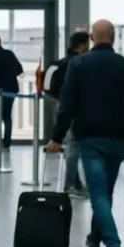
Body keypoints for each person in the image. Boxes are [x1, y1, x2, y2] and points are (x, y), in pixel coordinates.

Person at [46, 20, 124, 247]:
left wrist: (56, 136)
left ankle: (113, 246)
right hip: (119, 139)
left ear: (93, 40)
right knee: (103, 192)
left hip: (90, 137)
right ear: (114, 39)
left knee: (98, 193)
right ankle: (95, 239)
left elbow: (67, 104)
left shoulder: (79, 64)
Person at [43, 32, 90, 196]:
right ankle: (71, 184)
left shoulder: (61, 63)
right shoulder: (80, 63)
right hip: (77, 108)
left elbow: (49, 86)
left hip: (61, 105)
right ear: (83, 45)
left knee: (72, 143)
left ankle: (75, 182)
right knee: (74, 144)